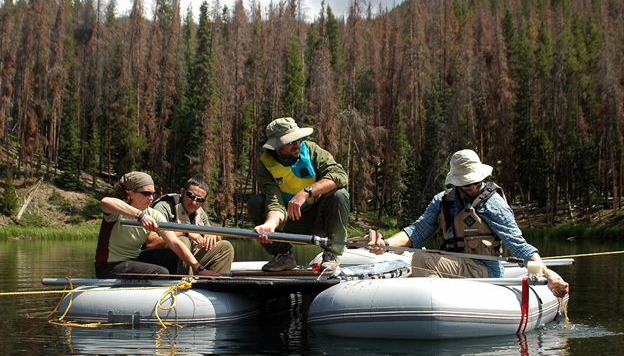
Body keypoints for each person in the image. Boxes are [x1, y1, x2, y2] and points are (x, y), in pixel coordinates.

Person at [367, 149, 569, 298]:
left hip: (485, 271)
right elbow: (416, 231)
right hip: (453, 269)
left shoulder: (493, 204)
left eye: (476, 181)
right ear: (456, 181)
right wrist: (385, 245)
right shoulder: (442, 200)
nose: (473, 186)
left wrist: (549, 275)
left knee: (421, 259)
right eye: (467, 182)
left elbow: (519, 245)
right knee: (407, 274)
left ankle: (438, 302)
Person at [247, 117, 349, 272]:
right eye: (290, 141)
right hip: (288, 222)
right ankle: (283, 256)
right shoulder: (265, 169)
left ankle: (331, 255)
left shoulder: (312, 151)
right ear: (277, 146)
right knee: (255, 202)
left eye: (299, 139)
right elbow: (274, 203)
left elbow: (339, 175)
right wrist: (270, 225)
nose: (297, 144)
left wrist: (306, 192)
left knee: (340, 194)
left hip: (318, 219)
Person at [94, 171, 220, 279]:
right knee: (160, 272)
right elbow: (106, 202)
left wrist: (198, 268)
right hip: (109, 267)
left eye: (153, 194)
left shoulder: (153, 214)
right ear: (131, 194)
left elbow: (175, 243)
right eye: (146, 193)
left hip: (133, 261)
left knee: (172, 256)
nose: (151, 198)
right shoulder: (117, 212)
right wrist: (139, 215)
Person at [143, 175, 234, 274]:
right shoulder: (164, 207)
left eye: (200, 200)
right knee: (183, 240)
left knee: (225, 247)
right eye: (191, 196)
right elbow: (150, 243)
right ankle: (184, 282)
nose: (194, 202)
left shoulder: (200, 213)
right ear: (182, 192)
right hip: (163, 259)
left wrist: (213, 234)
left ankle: (215, 283)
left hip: (191, 257)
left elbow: (217, 239)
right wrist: (184, 232)